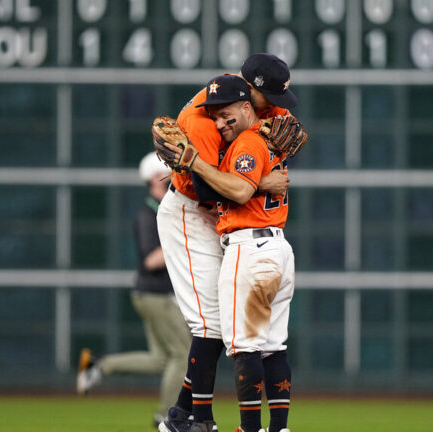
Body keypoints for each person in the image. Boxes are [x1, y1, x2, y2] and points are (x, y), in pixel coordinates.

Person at [157, 54, 297, 432]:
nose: (276, 107)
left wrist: (259, 173)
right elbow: (208, 188)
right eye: (268, 96)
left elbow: (291, 131)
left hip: (238, 229)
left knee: (232, 332)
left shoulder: (253, 113)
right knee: (215, 328)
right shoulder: (203, 125)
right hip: (190, 211)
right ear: (247, 92)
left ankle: (183, 416)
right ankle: (198, 421)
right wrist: (260, 181)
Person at [76, 152, 192, 428]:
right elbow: (151, 259)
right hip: (154, 294)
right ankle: (165, 416)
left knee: (162, 359)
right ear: (154, 179)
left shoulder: (163, 209)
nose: (174, 181)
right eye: (168, 176)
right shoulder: (148, 213)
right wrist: (182, 239)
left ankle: (98, 366)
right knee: (184, 354)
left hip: (154, 294)